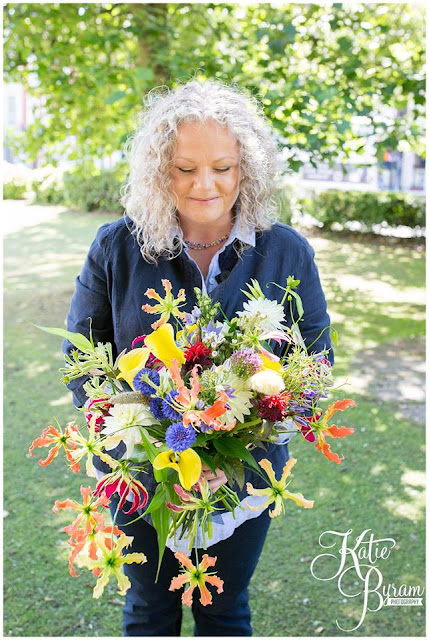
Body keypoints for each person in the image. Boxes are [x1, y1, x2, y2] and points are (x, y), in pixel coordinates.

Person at [63, 80, 333, 637]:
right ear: (160, 170)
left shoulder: (286, 251)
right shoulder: (116, 247)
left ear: (247, 170)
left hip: (247, 479)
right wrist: (152, 450)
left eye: (223, 167)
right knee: (149, 611)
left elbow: (315, 363)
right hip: (139, 477)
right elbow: (84, 363)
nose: (204, 185)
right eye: (184, 168)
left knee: (224, 611)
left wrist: (227, 456)